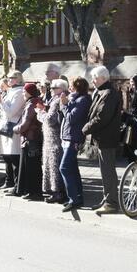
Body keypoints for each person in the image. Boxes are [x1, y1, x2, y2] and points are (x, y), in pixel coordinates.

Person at [82, 66, 122, 215]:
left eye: (95, 77)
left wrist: (85, 128)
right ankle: (107, 199)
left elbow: (102, 116)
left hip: (107, 138)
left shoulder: (109, 93)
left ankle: (111, 203)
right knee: (105, 171)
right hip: (101, 137)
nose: (92, 80)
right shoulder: (101, 92)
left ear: (104, 78)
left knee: (108, 171)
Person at [58, 77, 91, 212]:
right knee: (72, 168)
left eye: (71, 85)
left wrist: (64, 105)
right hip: (68, 137)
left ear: (76, 87)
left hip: (74, 138)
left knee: (64, 168)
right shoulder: (75, 98)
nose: (69, 88)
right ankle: (77, 197)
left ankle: (73, 199)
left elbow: (71, 118)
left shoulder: (83, 100)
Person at [38, 79, 68, 203]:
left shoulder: (57, 100)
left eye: (54, 88)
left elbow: (51, 120)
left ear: (61, 88)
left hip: (54, 138)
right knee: (50, 165)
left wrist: (40, 114)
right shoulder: (54, 99)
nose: (51, 89)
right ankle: (54, 191)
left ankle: (58, 193)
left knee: (54, 166)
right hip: (50, 138)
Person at [0, 72, 24, 190]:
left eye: (12, 78)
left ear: (18, 79)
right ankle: (9, 181)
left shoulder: (20, 92)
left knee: (14, 158)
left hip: (14, 128)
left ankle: (17, 185)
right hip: (6, 126)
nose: (9, 79)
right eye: (9, 77)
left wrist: (1, 101)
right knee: (7, 157)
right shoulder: (11, 91)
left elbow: (11, 112)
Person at [13, 83, 44, 201]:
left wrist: (15, 129)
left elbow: (25, 125)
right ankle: (33, 191)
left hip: (30, 139)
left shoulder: (31, 104)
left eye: (24, 91)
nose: (22, 93)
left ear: (29, 92)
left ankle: (33, 192)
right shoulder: (34, 102)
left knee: (31, 167)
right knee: (33, 167)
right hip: (32, 138)